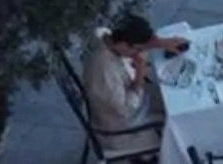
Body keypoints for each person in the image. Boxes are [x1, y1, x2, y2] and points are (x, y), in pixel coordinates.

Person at [80, 13, 187, 161]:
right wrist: (140, 72)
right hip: (122, 129)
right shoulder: (104, 72)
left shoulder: (105, 37)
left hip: (127, 102)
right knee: (180, 128)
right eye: (137, 49)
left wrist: (160, 43)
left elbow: (105, 32)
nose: (139, 53)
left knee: (178, 98)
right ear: (123, 45)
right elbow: (126, 110)